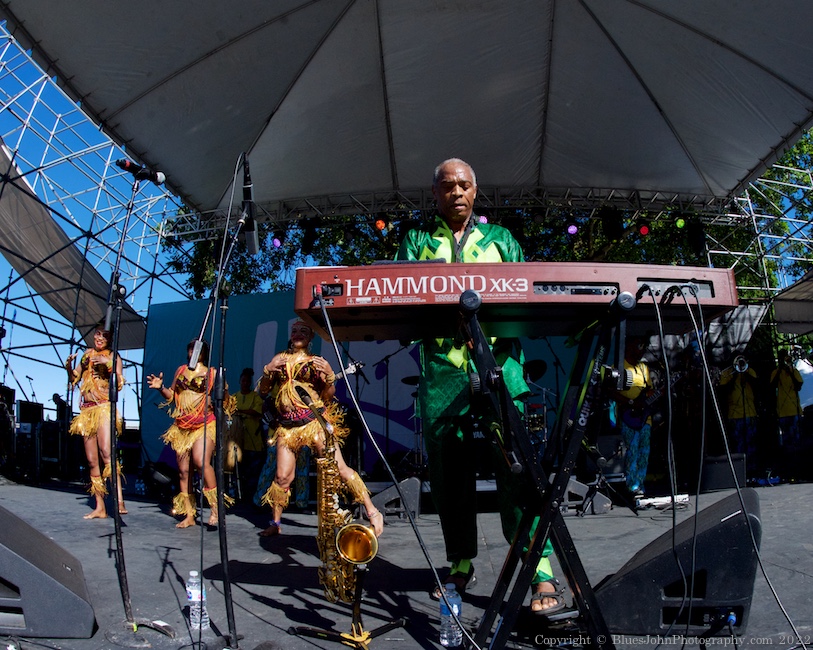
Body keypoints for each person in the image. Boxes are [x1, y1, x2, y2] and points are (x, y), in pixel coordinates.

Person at [395, 158, 564, 615]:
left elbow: (527, 298)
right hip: (443, 375)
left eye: (464, 185)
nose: (456, 192)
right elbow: (400, 302)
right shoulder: (415, 240)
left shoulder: (502, 240)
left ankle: (539, 571)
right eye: (447, 186)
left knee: (519, 471)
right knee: (449, 476)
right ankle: (460, 562)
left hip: (500, 369)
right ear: (434, 194)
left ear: (476, 191)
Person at [255, 320, 383, 538]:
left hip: (313, 422)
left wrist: (331, 376)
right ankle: (275, 522)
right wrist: (268, 371)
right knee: (282, 476)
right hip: (287, 427)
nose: (298, 334)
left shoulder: (317, 363)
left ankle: (372, 511)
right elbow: (262, 392)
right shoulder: (279, 359)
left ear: (310, 337)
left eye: (303, 331)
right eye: (294, 330)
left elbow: (327, 396)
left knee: (340, 468)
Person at [147, 340, 231, 528]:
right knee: (184, 472)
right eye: (191, 348)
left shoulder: (212, 373)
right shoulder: (181, 371)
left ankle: (216, 509)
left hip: (204, 423)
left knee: (201, 461)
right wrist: (160, 387)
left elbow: (225, 400)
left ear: (204, 352)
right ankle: (189, 515)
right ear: (188, 351)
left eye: (198, 348)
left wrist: (221, 392)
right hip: (183, 425)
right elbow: (172, 397)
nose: (194, 351)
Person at [65, 324, 126, 519]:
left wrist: (107, 364)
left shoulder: (113, 357)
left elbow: (119, 382)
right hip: (87, 411)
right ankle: (100, 507)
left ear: (109, 340)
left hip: (104, 407)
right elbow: (75, 377)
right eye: (97, 335)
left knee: (106, 452)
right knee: (92, 461)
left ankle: (119, 500)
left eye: (104, 337)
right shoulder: (86, 354)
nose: (99, 338)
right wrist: (68, 368)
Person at [608, 335, 656, 500]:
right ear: (629, 348)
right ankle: (632, 486)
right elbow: (610, 391)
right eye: (638, 347)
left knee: (644, 452)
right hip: (629, 417)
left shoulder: (644, 368)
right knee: (632, 451)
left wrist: (654, 395)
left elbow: (649, 390)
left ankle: (640, 486)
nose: (640, 352)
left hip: (645, 419)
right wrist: (630, 402)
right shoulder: (619, 367)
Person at [719, 355, 758, 475]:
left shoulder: (749, 371)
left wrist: (744, 373)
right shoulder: (727, 374)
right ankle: (740, 472)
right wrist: (735, 374)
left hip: (750, 413)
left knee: (751, 444)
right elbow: (723, 392)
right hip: (734, 416)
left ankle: (752, 470)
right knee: (738, 445)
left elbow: (757, 386)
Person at [234, 367, 264, 501]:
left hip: (254, 443)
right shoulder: (234, 397)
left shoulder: (256, 397)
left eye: (248, 381)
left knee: (254, 472)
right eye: (243, 380)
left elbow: (257, 412)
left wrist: (240, 411)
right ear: (240, 381)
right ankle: (240, 496)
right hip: (238, 442)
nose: (245, 383)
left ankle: (252, 498)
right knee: (240, 471)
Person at [770, 349, 803, 449]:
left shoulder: (794, 370)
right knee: (786, 439)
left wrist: (791, 372)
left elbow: (799, 386)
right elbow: (772, 385)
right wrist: (780, 369)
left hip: (794, 410)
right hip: (782, 411)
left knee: (796, 439)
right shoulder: (775, 372)